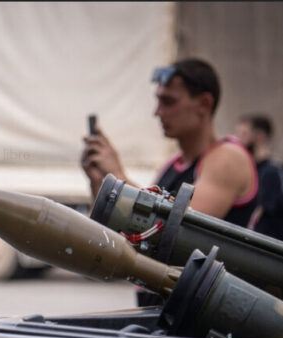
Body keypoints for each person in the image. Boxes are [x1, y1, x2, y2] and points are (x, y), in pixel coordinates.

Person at [81, 58, 258, 306]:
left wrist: (118, 176)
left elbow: (182, 226)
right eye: (158, 100)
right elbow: (121, 236)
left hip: (204, 311)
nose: (157, 112)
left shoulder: (227, 157)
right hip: (164, 305)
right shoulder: (172, 166)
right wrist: (99, 183)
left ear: (204, 104)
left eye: (169, 102)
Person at [235, 114, 283, 241]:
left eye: (244, 134)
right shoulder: (248, 168)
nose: (239, 140)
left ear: (260, 136)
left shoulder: (270, 173)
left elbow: (259, 217)